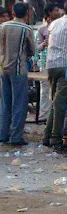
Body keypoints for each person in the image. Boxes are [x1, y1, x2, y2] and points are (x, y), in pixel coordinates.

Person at [43, 1, 67, 147]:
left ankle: (47, 136)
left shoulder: (54, 23)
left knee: (55, 102)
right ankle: (55, 138)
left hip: (51, 65)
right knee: (60, 103)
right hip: (65, 64)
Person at [0, 2, 35, 145]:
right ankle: (15, 136)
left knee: (5, 103)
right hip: (18, 69)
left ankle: (3, 134)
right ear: (27, 13)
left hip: (3, 68)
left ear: (12, 11)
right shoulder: (26, 29)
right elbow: (32, 50)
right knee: (19, 104)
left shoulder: (3, 27)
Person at [34, 3, 60, 121]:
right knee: (45, 91)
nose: (58, 12)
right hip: (45, 63)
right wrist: (44, 43)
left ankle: (54, 116)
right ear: (49, 13)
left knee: (56, 90)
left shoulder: (61, 27)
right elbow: (36, 48)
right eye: (56, 10)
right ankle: (44, 116)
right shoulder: (42, 29)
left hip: (58, 62)